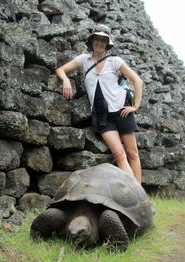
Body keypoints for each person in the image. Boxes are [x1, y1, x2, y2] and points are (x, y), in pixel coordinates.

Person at [55, 23, 144, 184]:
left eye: (103, 40)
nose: (99, 42)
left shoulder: (115, 61)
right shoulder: (84, 60)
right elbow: (60, 70)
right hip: (103, 116)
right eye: (97, 39)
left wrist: (135, 106)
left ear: (107, 43)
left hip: (121, 110)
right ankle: (134, 195)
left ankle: (140, 198)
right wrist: (66, 79)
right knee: (119, 155)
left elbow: (137, 81)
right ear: (92, 41)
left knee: (132, 153)